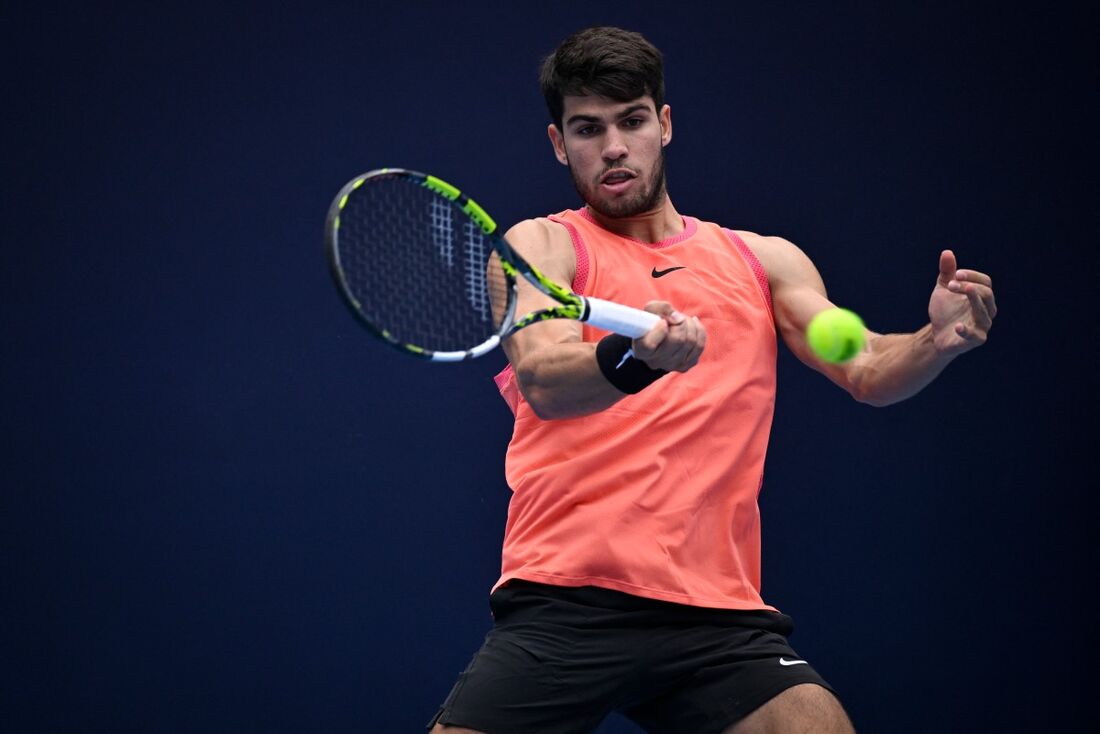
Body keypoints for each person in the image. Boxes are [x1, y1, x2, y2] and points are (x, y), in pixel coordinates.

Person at [428, 26, 996, 734]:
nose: (612, 147)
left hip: (715, 618)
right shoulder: (541, 247)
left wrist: (933, 343)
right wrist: (638, 359)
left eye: (631, 120)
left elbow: (869, 366)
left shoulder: (764, 263)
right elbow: (545, 375)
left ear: (663, 125)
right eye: (587, 129)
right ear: (557, 142)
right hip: (566, 600)